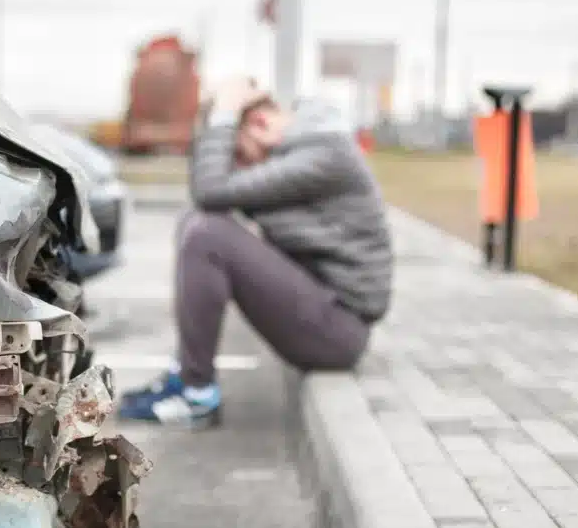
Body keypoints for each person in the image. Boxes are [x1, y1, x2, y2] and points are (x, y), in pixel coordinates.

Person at [118, 77, 393, 427]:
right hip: (323, 310)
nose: (241, 170)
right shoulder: (308, 147)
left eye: (240, 157)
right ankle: (185, 374)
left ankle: (196, 394)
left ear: (260, 125)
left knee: (207, 234)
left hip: (339, 330)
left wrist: (224, 115)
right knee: (199, 220)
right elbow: (208, 193)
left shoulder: (324, 154)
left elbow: (212, 188)